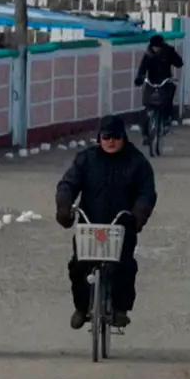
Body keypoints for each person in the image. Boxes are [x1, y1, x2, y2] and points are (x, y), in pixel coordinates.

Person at [54, 114, 158, 329]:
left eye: (116, 137)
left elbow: (146, 193)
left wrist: (137, 216)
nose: (111, 141)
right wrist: (64, 207)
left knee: (123, 266)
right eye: (106, 137)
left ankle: (120, 309)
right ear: (99, 138)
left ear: (124, 137)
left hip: (122, 226)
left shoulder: (137, 162)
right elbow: (68, 184)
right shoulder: (86, 159)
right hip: (89, 225)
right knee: (78, 266)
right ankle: (82, 307)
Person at [135, 29, 184, 144]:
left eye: (158, 47)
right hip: (151, 82)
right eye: (154, 47)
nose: (156, 49)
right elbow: (142, 68)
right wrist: (139, 78)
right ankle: (145, 134)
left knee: (167, 100)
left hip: (165, 81)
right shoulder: (148, 54)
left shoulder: (168, 51)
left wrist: (175, 59)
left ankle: (167, 120)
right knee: (147, 106)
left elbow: (179, 63)